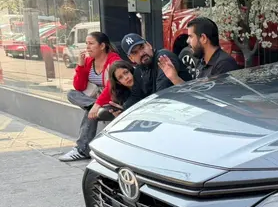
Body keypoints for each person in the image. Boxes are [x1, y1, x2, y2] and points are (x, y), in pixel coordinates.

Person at [59, 31, 121, 162]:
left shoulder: (114, 61)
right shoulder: (88, 61)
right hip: (96, 103)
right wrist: (80, 66)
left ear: (102, 46)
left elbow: (111, 87)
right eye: (86, 43)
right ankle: (94, 108)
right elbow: (79, 87)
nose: (87, 47)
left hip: (113, 103)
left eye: (91, 43)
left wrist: (97, 105)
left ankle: (82, 149)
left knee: (90, 111)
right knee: (71, 94)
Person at [159, 17, 239, 84]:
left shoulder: (224, 64)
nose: (187, 41)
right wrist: (174, 77)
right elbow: (196, 94)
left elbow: (209, 100)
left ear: (203, 38)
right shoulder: (201, 62)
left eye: (191, 37)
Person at [121, 33, 192, 105]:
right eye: (135, 52)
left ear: (149, 45)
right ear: (131, 58)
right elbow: (135, 97)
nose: (141, 53)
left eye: (142, 47)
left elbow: (162, 91)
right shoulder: (138, 71)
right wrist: (122, 110)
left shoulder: (163, 57)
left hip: (189, 104)